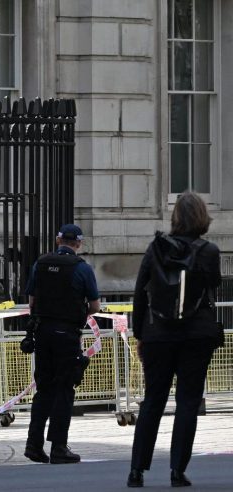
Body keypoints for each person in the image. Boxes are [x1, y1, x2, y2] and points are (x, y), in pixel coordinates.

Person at [127, 192, 221, 488]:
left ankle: (136, 471)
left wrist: (140, 334)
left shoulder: (155, 249)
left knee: (153, 401)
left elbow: (139, 294)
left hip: (158, 334)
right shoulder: (209, 250)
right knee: (187, 402)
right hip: (196, 334)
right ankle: (177, 470)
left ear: (175, 218)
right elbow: (213, 285)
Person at [23, 224, 100, 465]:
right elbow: (95, 307)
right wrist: (76, 314)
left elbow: (32, 300)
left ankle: (34, 444)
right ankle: (58, 446)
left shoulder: (40, 264)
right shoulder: (82, 268)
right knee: (65, 389)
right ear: (78, 243)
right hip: (67, 334)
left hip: (43, 333)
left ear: (58, 240)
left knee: (44, 389)